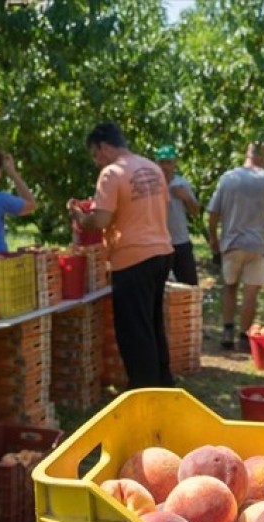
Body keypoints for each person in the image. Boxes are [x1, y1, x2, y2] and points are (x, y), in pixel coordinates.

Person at [68, 122, 175, 389]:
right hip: (161, 251)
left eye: (95, 154)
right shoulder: (152, 167)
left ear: (104, 147)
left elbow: (100, 221)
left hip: (132, 257)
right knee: (152, 323)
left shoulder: (111, 173)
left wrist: (80, 217)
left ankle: (143, 389)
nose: (96, 161)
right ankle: (163, 382)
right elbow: (161, 206)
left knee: (134, 330)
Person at [207, 141, 264, 351]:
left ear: (247, 154)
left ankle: (227, 330)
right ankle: (244, 336)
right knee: (250, 292)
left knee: (230, 287)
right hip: (257, 243)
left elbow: (213, 212)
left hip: (232, 242)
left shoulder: (228, 178)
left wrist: (213, 238)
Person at [155, 145, 200, 285]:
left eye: (168, 162)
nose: (165, 166)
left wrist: (186, 197)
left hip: (180, 242)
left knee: (189, 284)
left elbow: (195, 212)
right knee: (158, 285)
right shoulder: (152, 185)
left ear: (175, 164)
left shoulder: (181, 183)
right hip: (158, 243)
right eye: (161, 162)